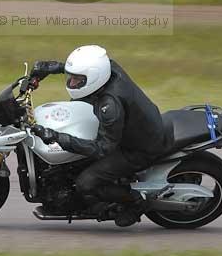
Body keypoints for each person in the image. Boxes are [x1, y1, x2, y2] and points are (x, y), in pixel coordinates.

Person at [30, 45, 166, 227]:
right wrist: (51, 67)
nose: (72, 83)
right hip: (136, 126)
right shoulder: (107, 69)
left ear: (94, 79)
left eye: (77, 80)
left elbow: (103, 148)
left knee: (86, 182)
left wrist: (58, 137)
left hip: (139, 147)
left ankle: (136, 202)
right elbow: (86, 69)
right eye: (72, 78)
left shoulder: (110, 106)